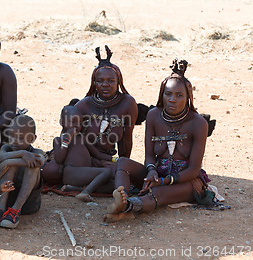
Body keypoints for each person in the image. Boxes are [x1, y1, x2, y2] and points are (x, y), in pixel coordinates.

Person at [105, 59, 210, 222]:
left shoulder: (198, 123)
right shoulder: (153, 115)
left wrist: (163, 180)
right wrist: (152, 171)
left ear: (188, 97)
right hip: (157, 175)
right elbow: (149, 155)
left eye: (179, 95)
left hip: (185, 181)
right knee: (123, 162)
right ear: (162, 95)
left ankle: (127, 207)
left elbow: (194, 170)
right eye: (168, 94)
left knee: (158, 193)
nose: (172, 99)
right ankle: (122, 196)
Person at [42, 45, 138, 192]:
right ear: (94, 82)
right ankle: (88, 184)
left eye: (111, 81)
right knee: (51, 171)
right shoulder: (84, 105)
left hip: (106, 158)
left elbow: (126, 139)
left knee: (124, 175)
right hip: (81, 159)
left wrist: (121, 163)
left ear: (118, 82)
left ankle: (82, 185)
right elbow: (67, 135)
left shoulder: (127, 103)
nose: (105, 84)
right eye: (100, 81)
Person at [43, 106, 112, 202]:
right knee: (106, 172)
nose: (77, 125)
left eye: (80, 123)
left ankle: (77, 188)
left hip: (84, 173)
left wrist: (114, 159)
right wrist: (66, 140)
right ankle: (86, 192)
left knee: (113, 184)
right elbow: (59, 159)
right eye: (73, 121)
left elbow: (97, 154)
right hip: (72, 173)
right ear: (62, 122)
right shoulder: (58, 140)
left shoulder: (82, 137)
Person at [0, 115, 44, 229]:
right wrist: (21, 154)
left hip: (28, 204)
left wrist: (9, 162)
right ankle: (0, 210)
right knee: (11, 165)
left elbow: (40, 162)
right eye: (12, 137)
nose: (15, 142)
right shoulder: (7, 148)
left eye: (20, 138)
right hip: (6, 200)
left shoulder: (36, 152)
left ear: (32, 139)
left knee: (32, 166)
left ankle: (15, 210)